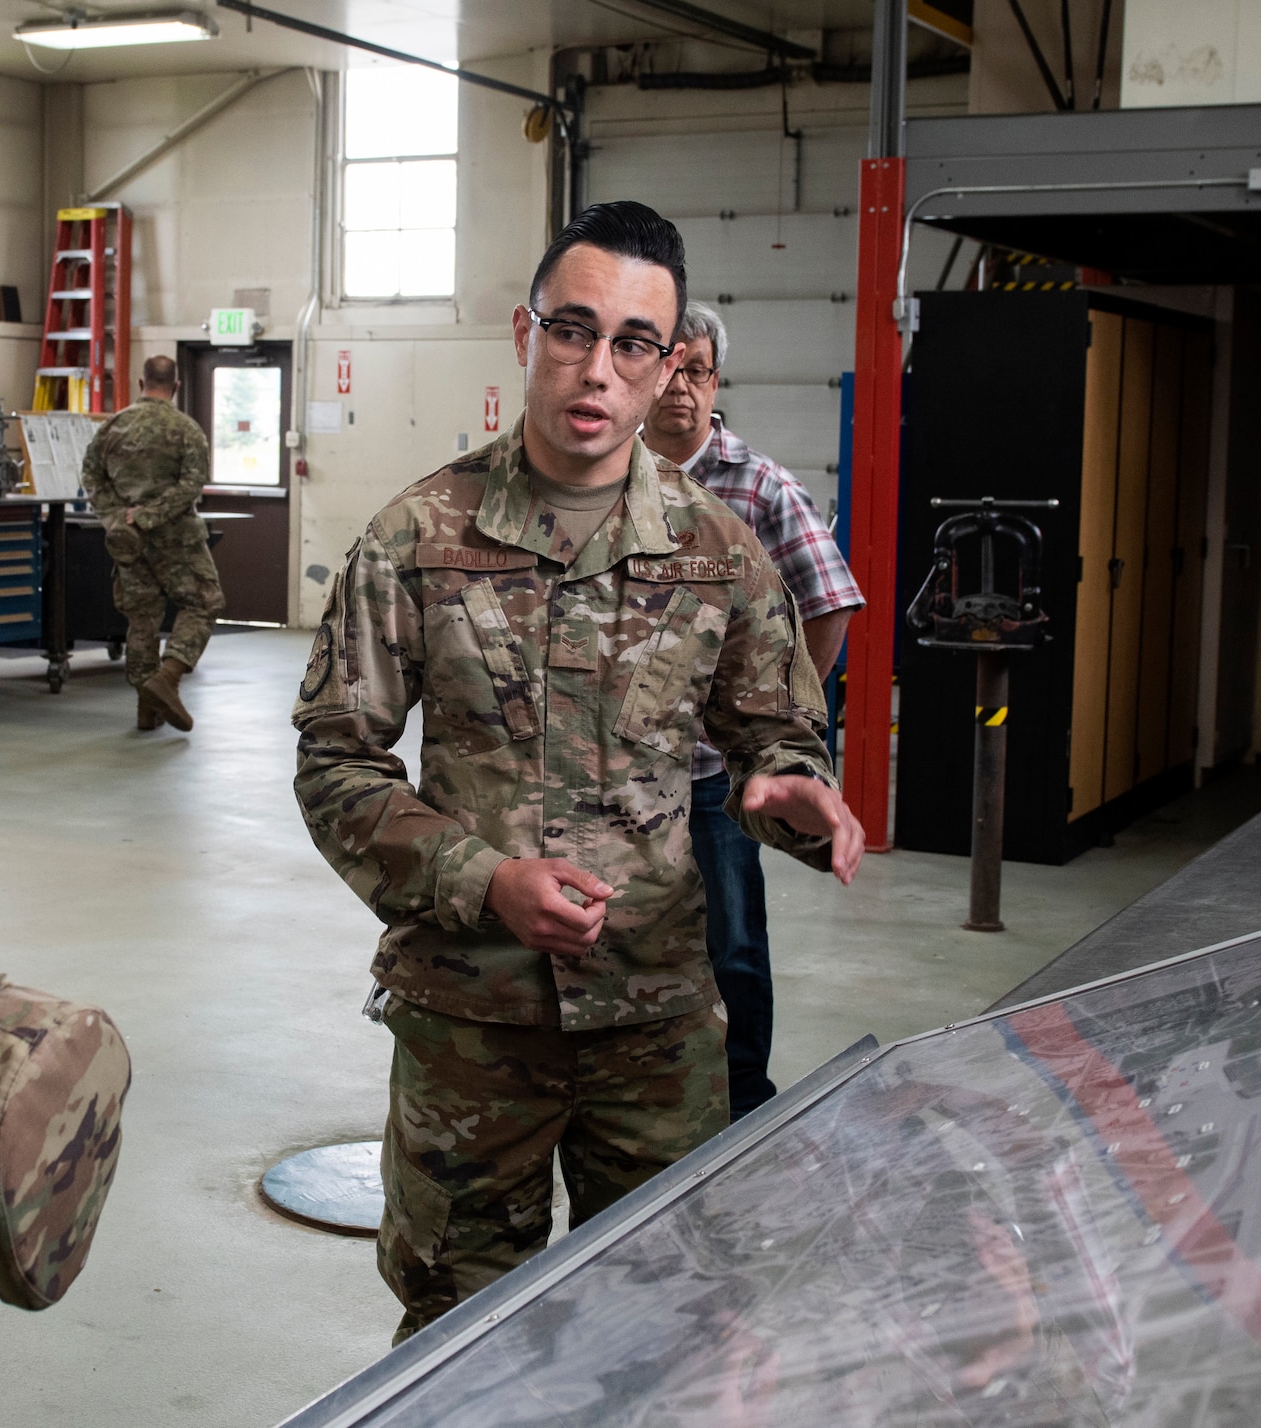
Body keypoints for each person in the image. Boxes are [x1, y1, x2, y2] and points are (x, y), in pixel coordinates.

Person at [291, 200, 866, 1341]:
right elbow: (335, 762)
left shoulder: (717, 551)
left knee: (659, 1322)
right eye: (572, 330)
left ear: (668, 369)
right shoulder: (417, 537)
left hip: (654, 1031)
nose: (595, 369)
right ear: (525, 335)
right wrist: (478, 879)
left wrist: (793, 792)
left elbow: (776, 736)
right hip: (471, 1027)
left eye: (632, 344)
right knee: (456, 1332)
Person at [641, 302, 864, 1121]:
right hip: (625, 774)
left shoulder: (760, 488)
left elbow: (828, 602)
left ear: (715, 380)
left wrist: (777, 715)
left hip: (713, 773)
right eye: (668, 369)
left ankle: (744, 1101)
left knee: (730, 941)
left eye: (698, 371)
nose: (681, 390)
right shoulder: (608, 475)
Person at [82, 355, 225, 732]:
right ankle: (169, 677)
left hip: (128, 543)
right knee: (204, 601)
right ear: (175, 386)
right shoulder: (186, 429)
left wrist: (118, 518)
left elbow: (91, 475)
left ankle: (147, 710)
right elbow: (191, 485)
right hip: (177, 538)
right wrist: (151, 516)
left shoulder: (113, 426)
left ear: (140, 383)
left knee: (142, 617)